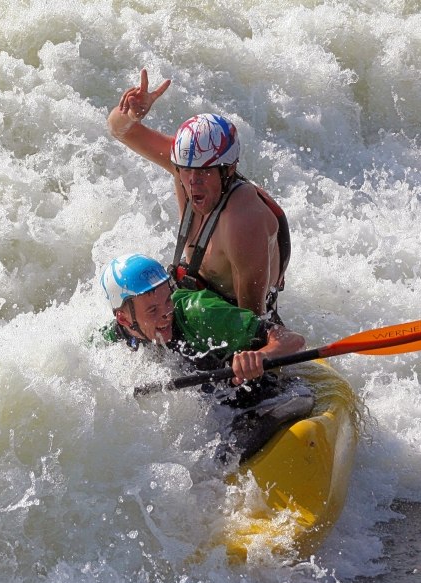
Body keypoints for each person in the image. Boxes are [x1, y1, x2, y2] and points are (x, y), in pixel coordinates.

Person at [107, 69, 290, 321]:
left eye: (204, 174)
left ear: (229, 170)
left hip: (233, 314)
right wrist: (128, 115)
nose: (193, 183)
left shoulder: (243, 220)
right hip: (197, 290)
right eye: (186, 171)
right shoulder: (183, 165)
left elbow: (253, 325)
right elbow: (120, 130)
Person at [99, 253, 304, 386]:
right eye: (152, 310)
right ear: (124, 320)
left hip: (258, 384)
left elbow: (292, 339)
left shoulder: (200, 312)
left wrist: (261, 357)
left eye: (167, 300)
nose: (166, 313)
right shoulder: (116, 336)